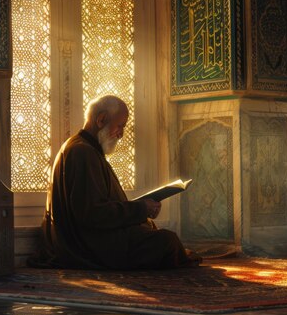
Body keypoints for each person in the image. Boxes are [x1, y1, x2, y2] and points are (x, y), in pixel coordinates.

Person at [28, 95, 201, 270]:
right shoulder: (82, 152)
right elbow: (92, 214)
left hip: (87, 241)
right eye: (120, 126)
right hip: (87, 247)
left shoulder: (83, 149)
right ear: (101, 119)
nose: (122, 134)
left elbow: (98, 205)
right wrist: (141, 209)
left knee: (156, 236)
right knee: (167, 241)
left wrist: (143, 209)